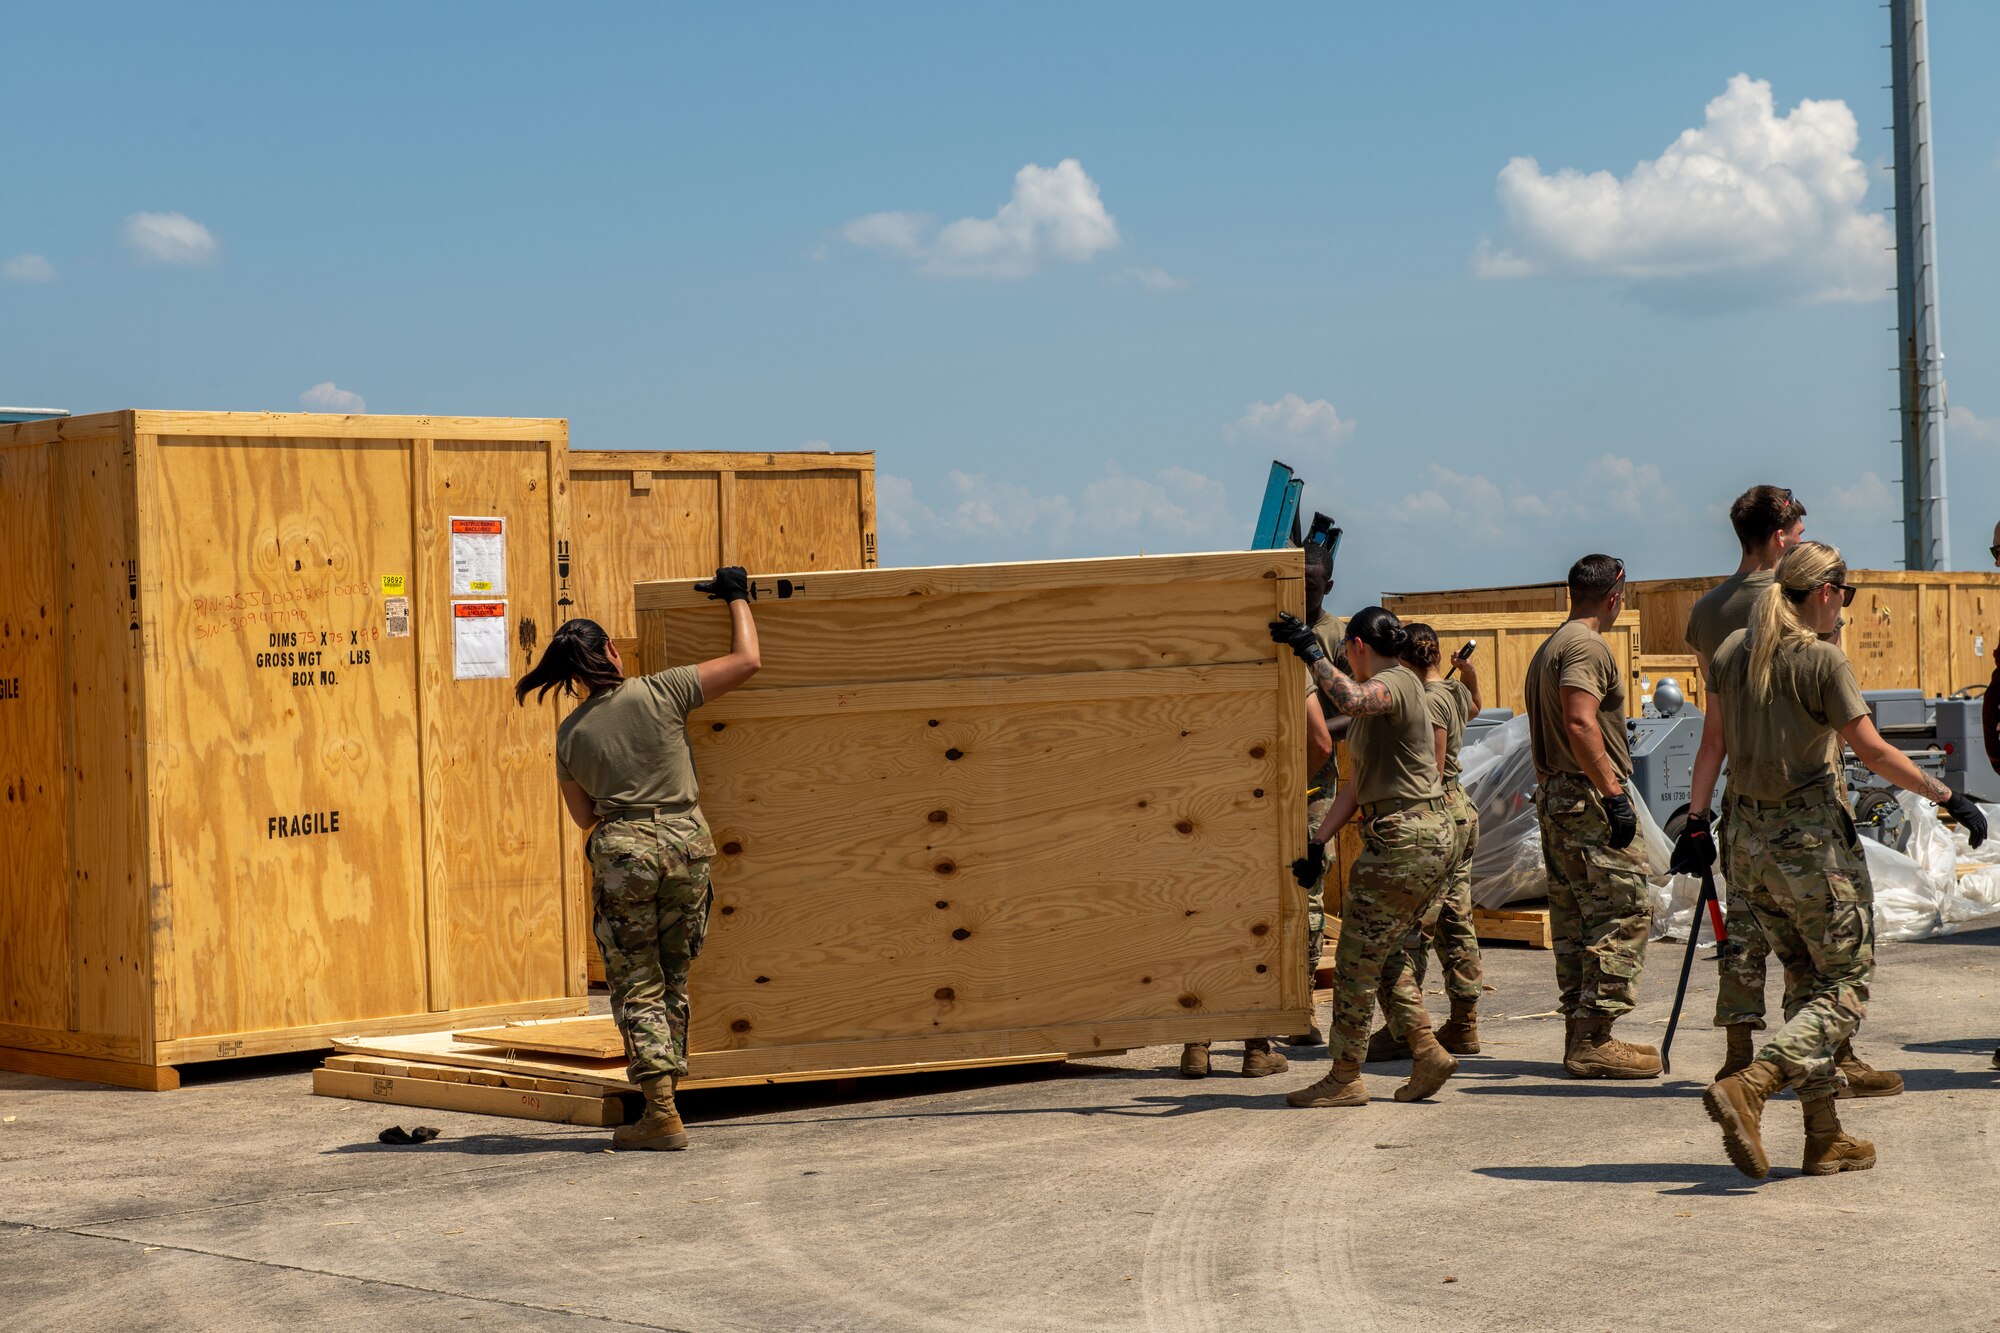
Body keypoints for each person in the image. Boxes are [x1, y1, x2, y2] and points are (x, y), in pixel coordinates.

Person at [1675, 541, 1988, 1178]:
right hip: (1812, 848)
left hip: (1747, 843)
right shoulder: (1820, 661)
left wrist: (1698, 820)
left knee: (1803, 983)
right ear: (1824, 592)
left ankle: (1824, 1135)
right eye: (1843, 596)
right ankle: (1754, 1082)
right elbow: (1872, 753)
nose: (1842, 607)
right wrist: (1948, 795)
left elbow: (1711, 744)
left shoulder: (1734, 651)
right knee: (1843, 987)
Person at [514, 567, 762, 1150]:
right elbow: (748, 660)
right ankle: (667, 1103)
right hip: (685, 844)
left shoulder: (571, 734)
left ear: (572, 675)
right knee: (672, 978)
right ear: (609, 655)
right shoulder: (663, 690)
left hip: (623, 850)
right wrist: (736, 597)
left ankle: (659, 1112)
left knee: (636, 982)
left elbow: (584, 818)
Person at [1686, 489, 1900, 1097]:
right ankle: (1828, 1056)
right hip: (1807, 799)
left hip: (1742, 801)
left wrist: (1697, 819)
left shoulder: (1708, 614)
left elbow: (1714, 735)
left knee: (1746, 933)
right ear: (1783, 540)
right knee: (1831, 958)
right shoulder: (1811, 605)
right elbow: (1851, 728)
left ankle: (1739, 1054)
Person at [1270, 606, 1458, 1107]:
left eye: (1342, 653)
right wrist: (1316, 842)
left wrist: (1310, 652)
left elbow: (1351, 698)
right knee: (1386, 951)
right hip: (1416, 836)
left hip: (1404, 839)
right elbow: (1354, 786)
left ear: (1355, 646)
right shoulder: (1392, 699)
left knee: (1354, 960)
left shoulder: (1395, 682)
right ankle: (1427, 1051)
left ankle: (1345, 1076)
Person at [1524, 555, 1660, 1078]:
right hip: (1587, 799)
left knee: (1578, 919)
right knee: (1623, 911)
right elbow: (1581, 723)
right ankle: (1594, 1038)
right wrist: (1614, 793)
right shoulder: (1587, 645)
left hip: (1561, 797)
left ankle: (1580, 1035)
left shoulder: (1553, 644)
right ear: (1615, 595)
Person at [1365, 624, 1485, 1060]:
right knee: (1455, 918)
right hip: (1460, 806)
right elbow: (1475, 706)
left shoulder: (1430, 699)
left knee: (1414, 924)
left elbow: (1430, 768)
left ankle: (1404, 1028)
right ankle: (1464, 1022)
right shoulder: (1449, 692)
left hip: (1437, 806)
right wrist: (1467, 671)